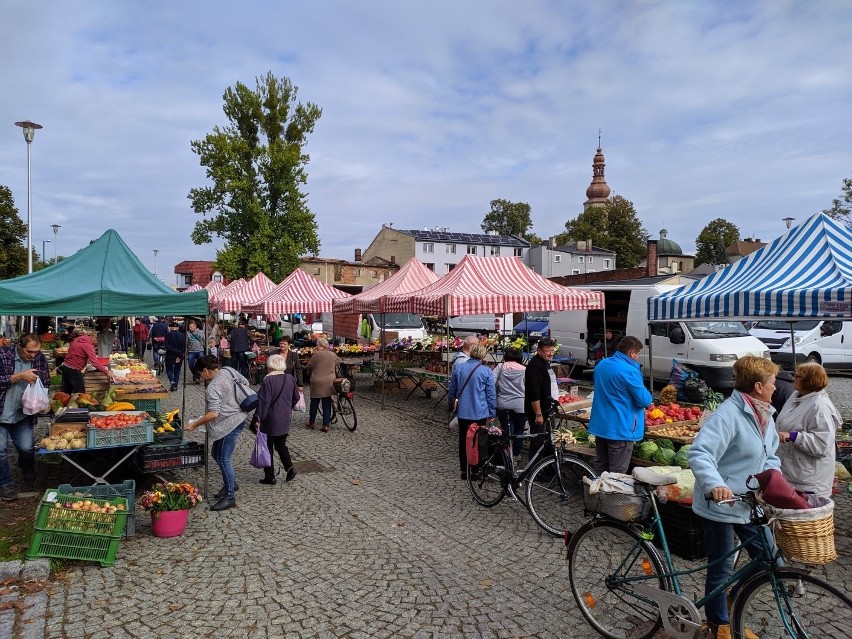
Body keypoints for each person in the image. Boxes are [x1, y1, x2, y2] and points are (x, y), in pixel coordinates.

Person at [688, 356, 782, 639]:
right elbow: (700, 453)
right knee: (721, 567)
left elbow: (770, 456)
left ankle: (730, 601)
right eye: (772, 383)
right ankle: (720, 625)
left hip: (749, 503)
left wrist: (774, 481)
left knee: (771, 560)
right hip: (720, 504)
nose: (776, 388)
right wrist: (716, 484)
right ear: (758, 386)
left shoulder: (765, 415)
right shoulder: (727, 415)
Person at [186, 355, 250, 511]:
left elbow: (213, 414)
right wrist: (233, 401)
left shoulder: (212, 387)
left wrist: (194, 424)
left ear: (207, 371)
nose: (201, 377)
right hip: (239, 419)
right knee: (216, 453)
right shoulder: (229, 370)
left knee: (223, 457)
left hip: (229, 424)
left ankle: (230, 496)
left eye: (201, 373)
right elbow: (246, 383)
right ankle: (231, 484)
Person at [588, 336, 653, 474]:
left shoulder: (602, 365)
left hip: (601, 425)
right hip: (621, 427)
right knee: (617, 473)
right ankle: (612, 496)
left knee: (600, 467)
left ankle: (596, 495)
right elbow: (644, 400)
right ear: (632, 353)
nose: (638, 357)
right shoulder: (630, 371)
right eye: (638, 354)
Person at [774, 362, 840, 498]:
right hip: (792, 471)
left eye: (798, 377)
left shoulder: (820, 407)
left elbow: (822, 445)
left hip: (810, 479)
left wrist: (793, 436)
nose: (793, 379)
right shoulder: (797, 396)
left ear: (810, 381)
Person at [0, 334, 51, 500]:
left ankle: (27, 468)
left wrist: (43, 398)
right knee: (0, 450)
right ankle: (5, 484)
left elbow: (46, 380)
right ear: (19, 346)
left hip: (23, 413)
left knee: (26, 447)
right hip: (2, 411)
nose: (33, 355)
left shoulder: (39, 358)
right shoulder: (3, 355)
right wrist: (19, 376)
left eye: (36, 351)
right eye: (30, 351)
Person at [448, 344, 496, 479]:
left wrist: (450, 406)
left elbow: (452, 391)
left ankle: (464, 470)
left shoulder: (459, 368)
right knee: (478, 441)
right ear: (482, 355)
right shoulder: (486, 371)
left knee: (463, 440)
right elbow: (490, 395)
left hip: (463, 411)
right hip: (479, 412)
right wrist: (492, 413)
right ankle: (477, 469)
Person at [254, 354, 301, 485]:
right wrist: (286, 407)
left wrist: (258, 418)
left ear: (270, 366)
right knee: (281, 445)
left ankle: (270, 476)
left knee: (267, 446)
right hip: (285, 418)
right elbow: (296, 397)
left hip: (270, 419)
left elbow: (264, 402)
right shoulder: (290, 378)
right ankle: (290, 468)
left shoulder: (267, 380)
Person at [524, 337, 558, 461]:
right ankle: (534, 469)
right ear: (539, 351)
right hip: (538, 411)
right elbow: (534, 393)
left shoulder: (544, 363)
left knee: (547, 439)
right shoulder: (535, 366)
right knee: (537, 441)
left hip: (546, 409)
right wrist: (538, 414)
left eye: (552, 350)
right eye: (547, 350)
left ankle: (547, 466)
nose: (551, 353)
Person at [494, 346, 527, 456]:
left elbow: (491, 383)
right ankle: (516, 455)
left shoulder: (500, 367)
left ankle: (507, 455)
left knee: (507, 431)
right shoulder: (524, 370)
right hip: (521, 405)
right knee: (519, 431)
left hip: (503, 403)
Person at [306, 337, 340, 432]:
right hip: (328, 382)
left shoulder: (316, 355)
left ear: (319, 345)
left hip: (317, 382)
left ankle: (311, 422)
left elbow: (309, 366)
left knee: (314, 403)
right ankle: (325, 425)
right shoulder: (332, 355)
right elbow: (339, 361)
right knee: (326, 404)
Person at [164, 322, 186, 392]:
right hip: (179, 356)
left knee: (169, 370)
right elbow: (183, 347)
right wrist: (179, 355)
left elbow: (167, 346)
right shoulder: (182, 335)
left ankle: (172, 383)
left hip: (170, 356)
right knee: (177, 371)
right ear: (177, 328)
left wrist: (175, 352)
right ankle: (175, 386)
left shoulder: (167, 335)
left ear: (170, 327)